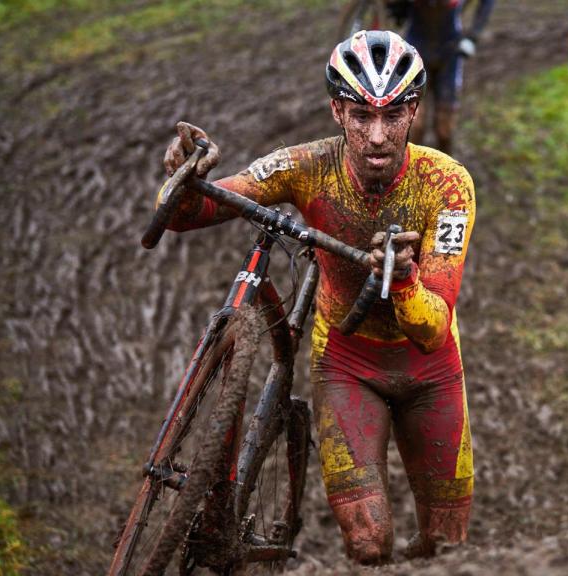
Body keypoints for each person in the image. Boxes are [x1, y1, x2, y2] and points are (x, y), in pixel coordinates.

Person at [159, 30, 475, 564]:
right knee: (369, 544)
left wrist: (402, 281)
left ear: (414, 112)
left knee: (445, 547)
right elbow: (189, 214)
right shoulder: (305, 165)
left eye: (393, 116)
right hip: (347, 363)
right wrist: (183, 179)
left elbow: (432, 329)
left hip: (432, 371)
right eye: (361, 116)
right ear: (336, 110)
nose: (377, 136)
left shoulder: (447, 184)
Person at [391, 0, 495, 154]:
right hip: (417, 51)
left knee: (444, 130)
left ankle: (448, 173)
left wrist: (473, 35)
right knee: (415, 126)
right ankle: (408, 173)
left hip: (449, 52)